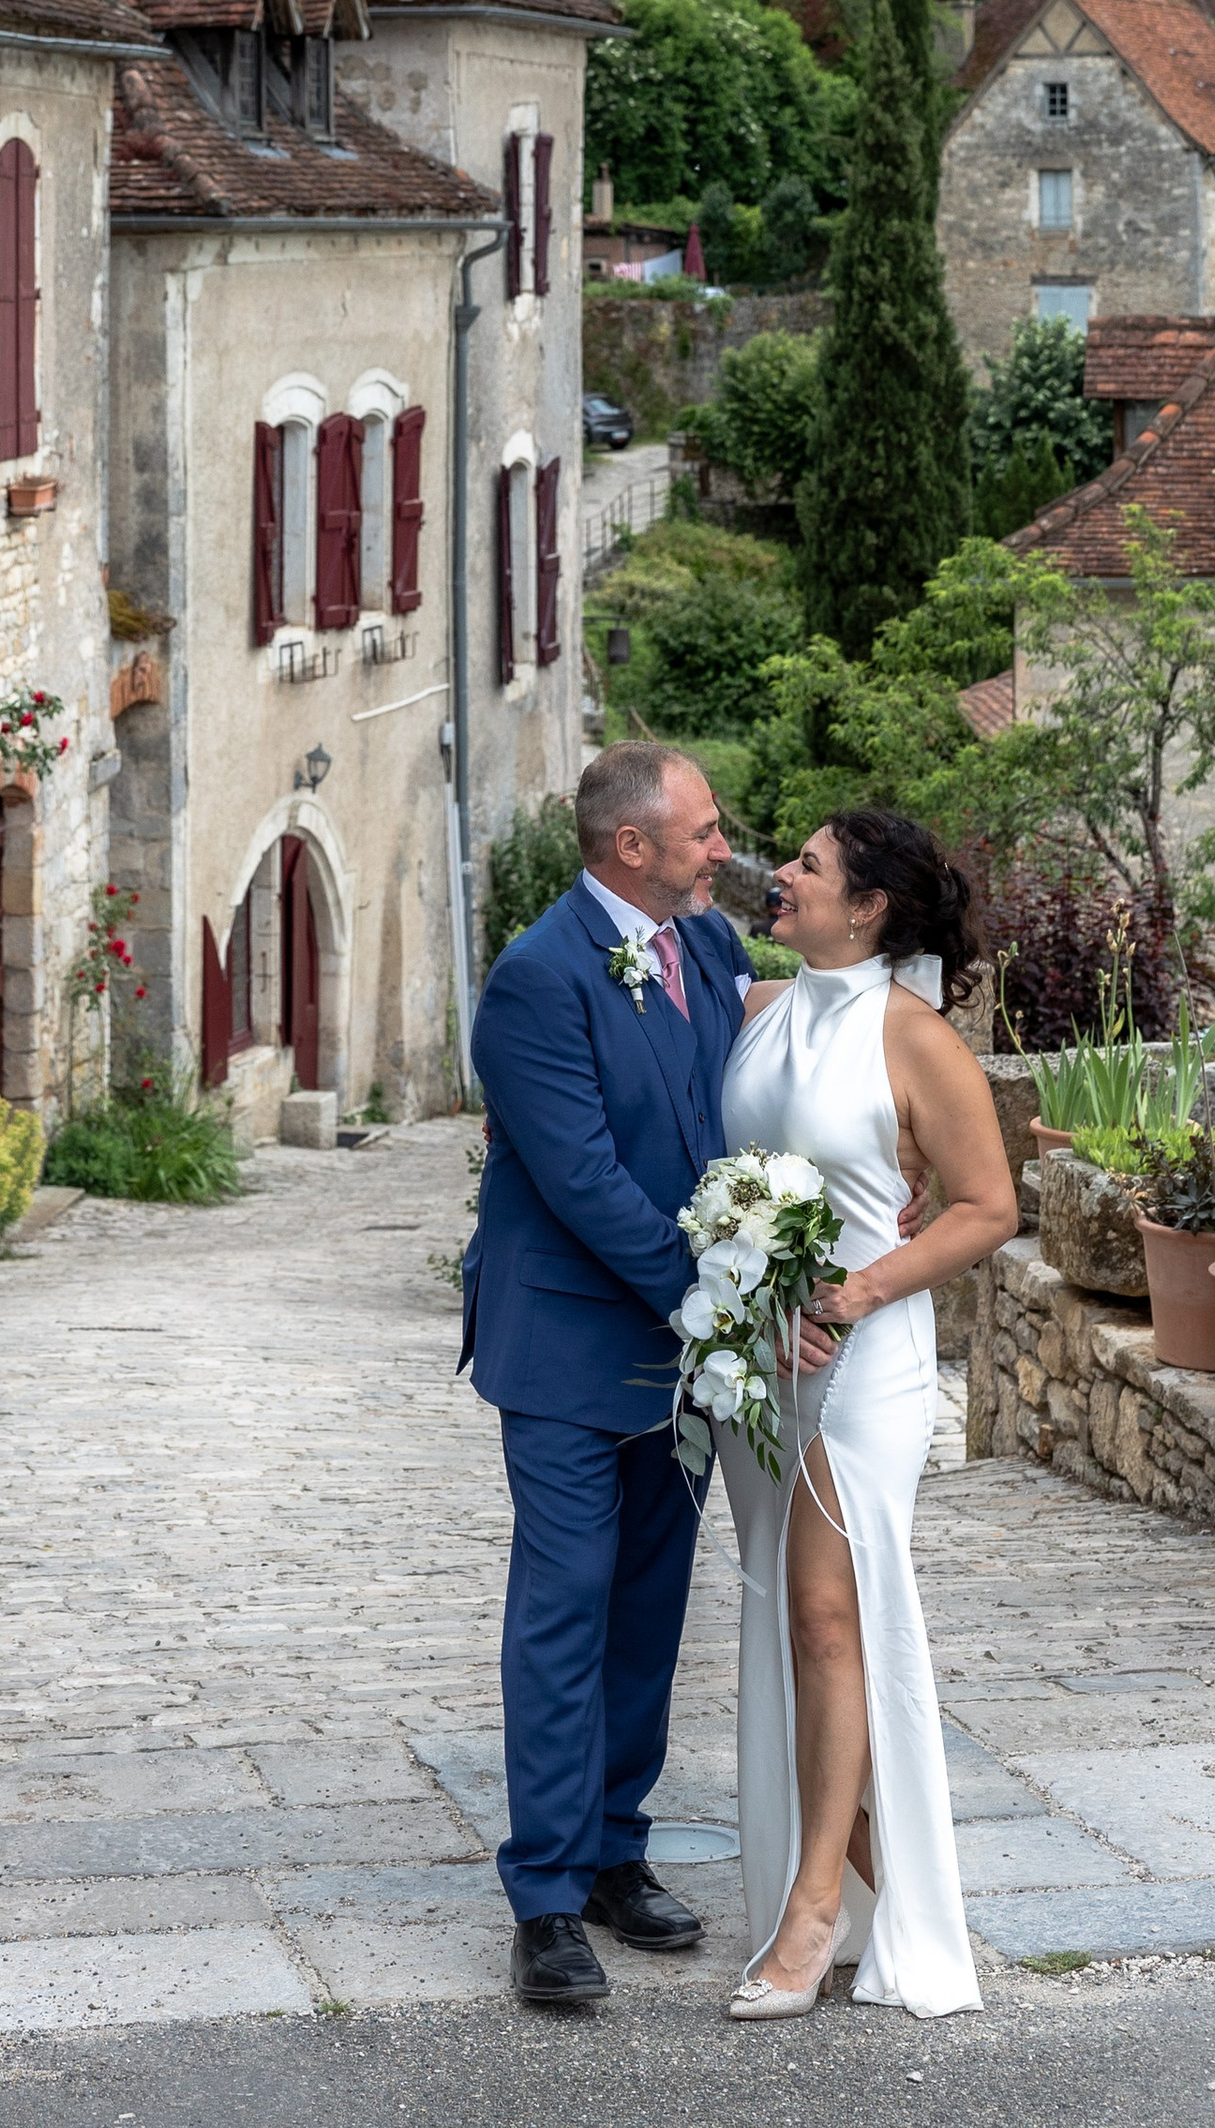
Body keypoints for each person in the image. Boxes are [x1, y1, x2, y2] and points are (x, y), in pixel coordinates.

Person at [463, 741, 799, 2008]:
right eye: (704, 832)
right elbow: (584, 1179)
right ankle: (544, 1894)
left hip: (685, 1353)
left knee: (652, 1606)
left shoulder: (705, 947)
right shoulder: (535, 979)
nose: (724, 848)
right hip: (565, 1343)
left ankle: (614, 1849)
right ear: (630, 848)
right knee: (567, 1605)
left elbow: (743, 1094)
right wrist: (720, 1300)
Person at [717, 806, 1020, 2020]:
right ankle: (902, 1900)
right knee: (793, 1627)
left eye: (808, 867)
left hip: (866, 1354)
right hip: (761, 1355)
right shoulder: (753, 1011)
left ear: (869, 907)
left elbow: (985, 1207)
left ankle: (809, 1917)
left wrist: (854, 1292)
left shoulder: (914, 1036)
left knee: (829, 1616)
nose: (783, 878)